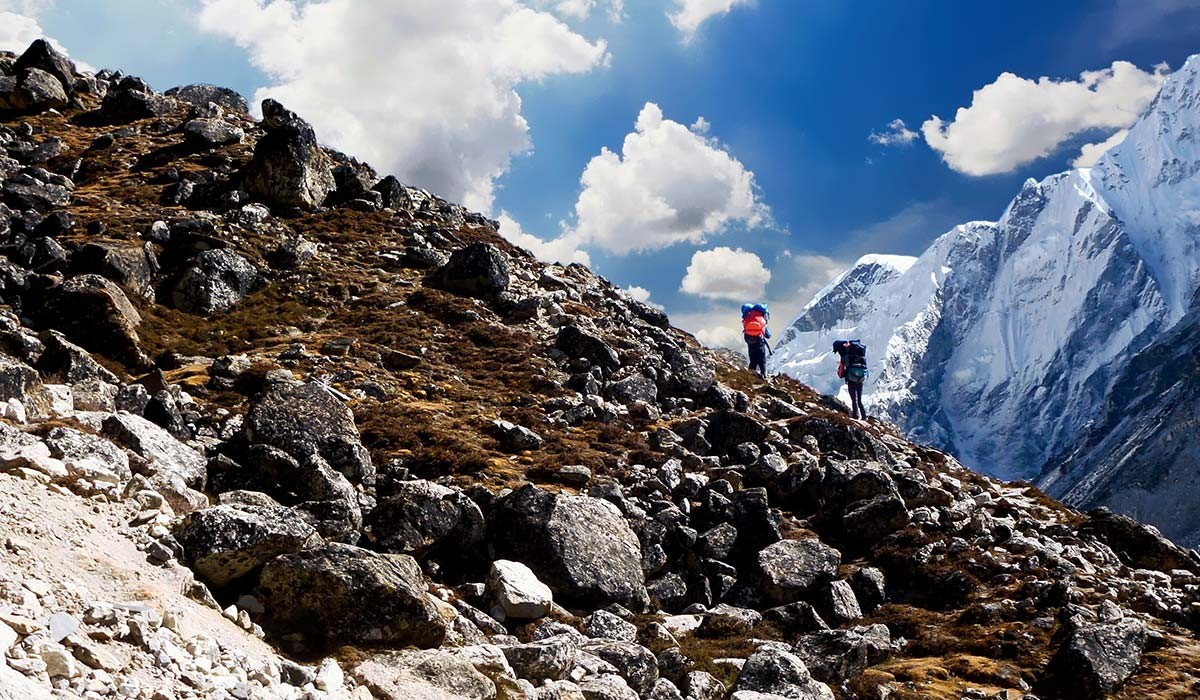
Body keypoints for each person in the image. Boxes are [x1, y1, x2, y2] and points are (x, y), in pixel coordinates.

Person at [833, 339, 868, 419]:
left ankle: (855, 415)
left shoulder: (845, 356)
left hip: (851, 379)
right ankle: (864, 416)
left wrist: (842, 374)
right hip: (861, 378)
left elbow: (841, 372)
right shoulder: (858, 354)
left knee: (853, 399)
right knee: (859, 399)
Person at [742, 303, 771, 377]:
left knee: (753, 360)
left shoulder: (748, 317)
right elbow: (768, 335)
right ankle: (763, 375)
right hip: (759, 341)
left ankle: (749, 376)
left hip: (749, 341)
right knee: (762, 360)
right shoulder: (762, 319)